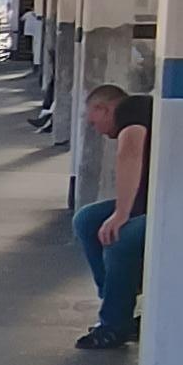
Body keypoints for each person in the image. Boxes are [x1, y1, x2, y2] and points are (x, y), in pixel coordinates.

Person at [71, 79, 150, 350]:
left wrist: (121, 214)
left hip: (181, 208)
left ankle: (114, 326)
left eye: (94, 122)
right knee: (87, 220)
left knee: (121, 238)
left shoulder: (132, 109)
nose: (97, 130)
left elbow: (129, 153)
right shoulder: (138, 110)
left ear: (104, 109)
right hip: (152, 204)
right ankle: (117, 296)